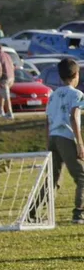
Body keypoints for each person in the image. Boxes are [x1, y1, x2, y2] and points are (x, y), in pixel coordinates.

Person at [45, 59, 84, 224]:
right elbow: (74, 116)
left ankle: (34, 212)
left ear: (60, 77)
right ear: (76, 75)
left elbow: (47, 120)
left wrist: (48, 141)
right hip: (66, 137)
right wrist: (80, 143)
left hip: (53, 137)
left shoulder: (53, 95)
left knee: (51, 179)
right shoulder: (77, 94)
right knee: (82, 176)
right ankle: (79, 213)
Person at [0, 42, 15, 119]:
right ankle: (1, 109)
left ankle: (10, 113)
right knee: (0, 93)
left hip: (5, 79)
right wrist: (13, 77)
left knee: (6, 97)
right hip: (11, 77)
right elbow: (12, 66)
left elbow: (0, 69)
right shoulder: (7, 55)